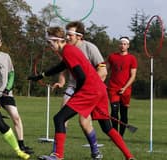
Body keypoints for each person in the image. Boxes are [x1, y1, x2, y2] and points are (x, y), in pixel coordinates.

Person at [28, 26, 135, 160]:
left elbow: (81, 76)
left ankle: (57, 155)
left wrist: (77, 94)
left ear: (59, 41)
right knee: (107, 127)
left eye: (50, 43)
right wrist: (41, 75)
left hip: (89, 89)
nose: (49, 46)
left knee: (59, 118)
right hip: (99, 89)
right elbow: (62, 66)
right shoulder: (67, 50)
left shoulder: (68, 51)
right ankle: (130, 157)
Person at [51, 21, 107, 159]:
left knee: (84, 122)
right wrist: (61, 82)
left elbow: (103, 70)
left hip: (87, 91)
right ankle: (56, 153)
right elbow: (64, 68)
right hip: (72, 88)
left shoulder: (90, 48)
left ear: (79, 36)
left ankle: (95, 152)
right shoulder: (66, 49)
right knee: (61, 119)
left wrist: (91, 90)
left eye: (69, 34)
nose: (67, 37)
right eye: (66, 34)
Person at [0, 34, 33, 154]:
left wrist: (8, 88)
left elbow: (11, 73)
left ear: (0, 44)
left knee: (16, 117)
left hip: (6, 94)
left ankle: (21, 145)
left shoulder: (6, 57)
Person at [107, 37, 137, 137]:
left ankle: (121, 135)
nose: (122, 46)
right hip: (113, 88)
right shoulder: (112, 57)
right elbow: (105, 70)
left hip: (126, 90)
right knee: (114, 112)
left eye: (125, 44)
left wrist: (124, 87)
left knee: (124, 114)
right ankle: (115, 135)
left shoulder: (132, 58)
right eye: (121, 44)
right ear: (118, 45)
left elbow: (133, 76)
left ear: (128, 46)